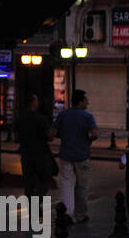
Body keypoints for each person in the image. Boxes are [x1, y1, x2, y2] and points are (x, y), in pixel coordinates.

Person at [52, 89, 98, 224]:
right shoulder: (88, 116)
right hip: (83, 155)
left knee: (67, 184)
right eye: (86, 100)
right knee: (82, 186)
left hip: (66, 154)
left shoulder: (63, 115)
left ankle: (67, 213)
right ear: (80, 102)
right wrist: (88, 140)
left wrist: (64, 135)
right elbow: (95, 134)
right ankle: (80, 214)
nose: (88, 102)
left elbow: (52, 133)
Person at [16, 93, 54, 198]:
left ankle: (31, 204)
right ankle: (36, 199)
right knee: (46, 179)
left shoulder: (20, 118)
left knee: (28, 182)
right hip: (40, 153)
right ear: (33, 103)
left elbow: (18, 136)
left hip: (26, 153)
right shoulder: (41, 119)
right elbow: (50, 136)